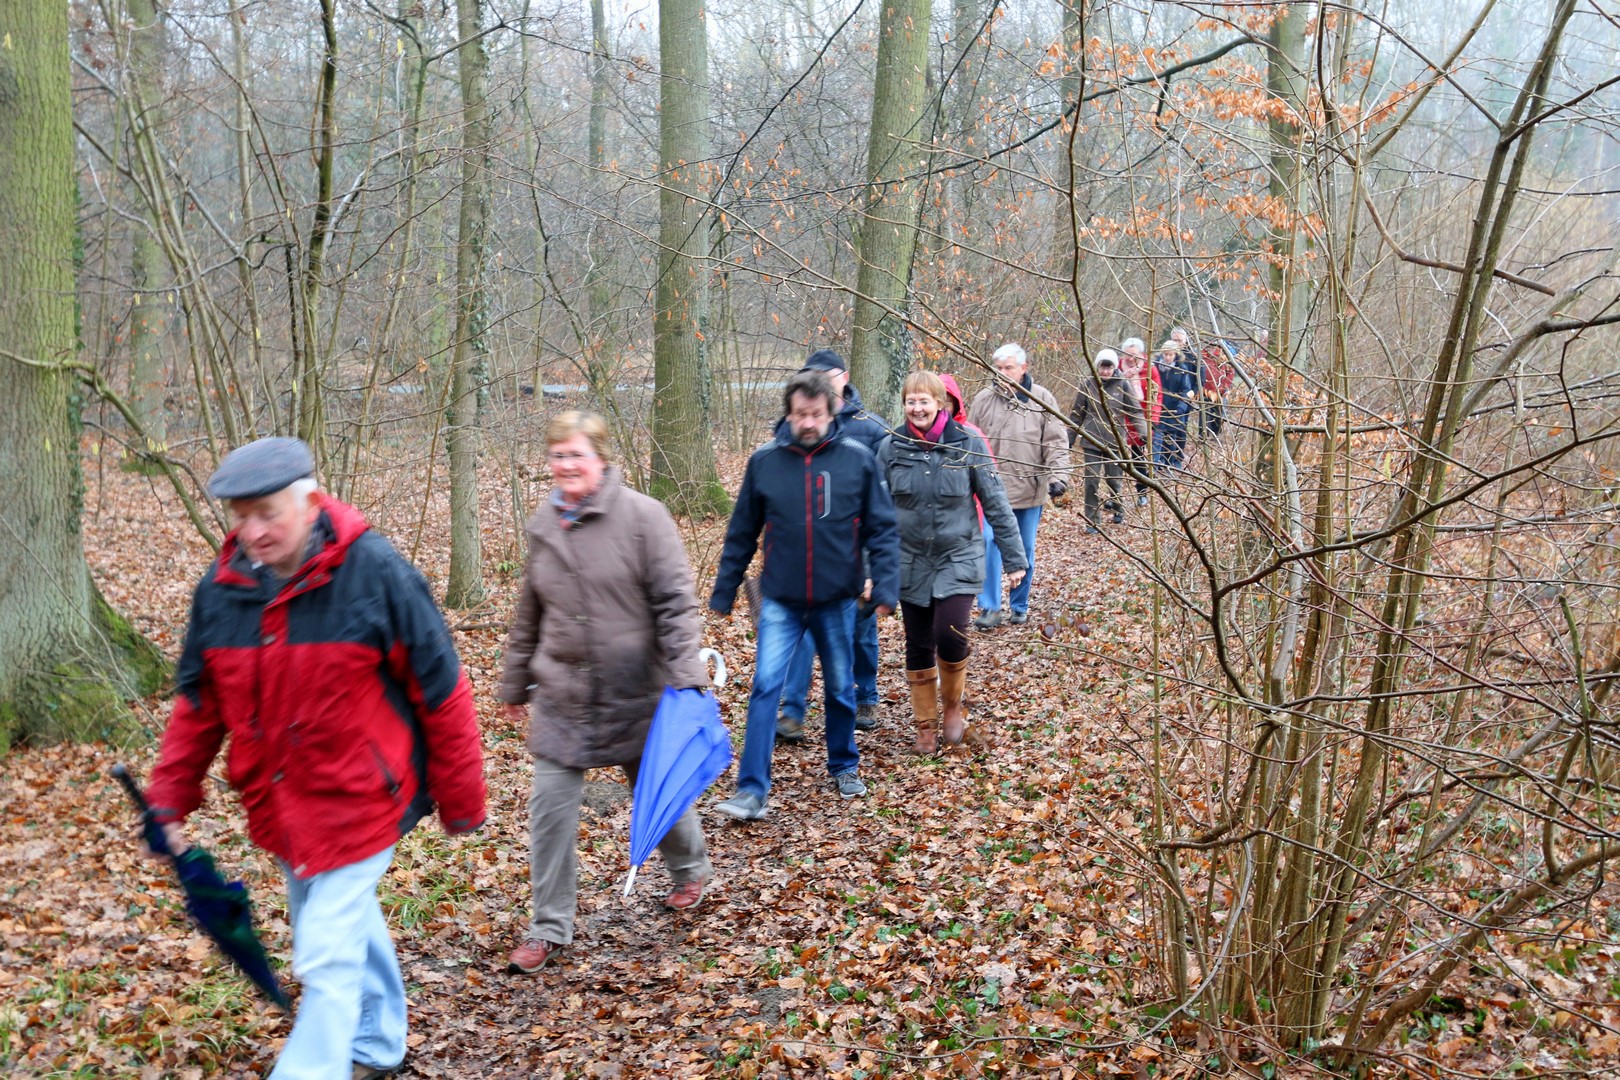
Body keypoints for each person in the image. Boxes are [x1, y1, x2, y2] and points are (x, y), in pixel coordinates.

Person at [145, 437, 487, 1080]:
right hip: (281, 806)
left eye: (267, 512)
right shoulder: (220, 594)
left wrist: (462, 800)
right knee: (344, 920)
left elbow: (442, 690)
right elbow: (198, 707)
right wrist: (168, 798)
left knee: (325, 953)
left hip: (363, 801)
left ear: (310, 499)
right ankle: (381, 1044)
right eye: (239, 515)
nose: (252, 531)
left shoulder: (376, 571)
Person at [496, 412, 716, 976]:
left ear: (600, 457)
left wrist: (687, 676)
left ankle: (690, 871)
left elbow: (675, 603)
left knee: (657, 793)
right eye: (557, 456)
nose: (566, 465)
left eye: (576, 454)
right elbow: (531, 610)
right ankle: (549, 926)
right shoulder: (544, 524)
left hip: (636, 693)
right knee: (548, 812)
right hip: (564, 698)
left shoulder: (644, 517)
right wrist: (514, 679)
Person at [709, 370, 900, 820]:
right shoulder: (765, 462)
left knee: (839, 686)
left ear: (831, 411)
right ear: (788, 414)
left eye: (816, 414)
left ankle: (844, 764)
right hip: (781, 598)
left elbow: (883, 529)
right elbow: (742, 532)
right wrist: (725, 589)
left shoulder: (857, 459)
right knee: (764, 688)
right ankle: (751, 789)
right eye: (800, 414)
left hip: (838, 598)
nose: (808, 422)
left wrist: (887, 585)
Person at [880, 372, 1025, 753]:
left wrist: (1014, 558)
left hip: (959, 554)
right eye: (911, 401)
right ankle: (925, 726)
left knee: (950, 633)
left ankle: (952, 706)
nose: (917, 408)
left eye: (924, 401)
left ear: (941, 403)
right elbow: (872, 512)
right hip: (909, 558)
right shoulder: (891, 447)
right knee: (917, 642)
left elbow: (995, 500)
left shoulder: (968, 443)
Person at [773, 349, 890, 742]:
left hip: (855, 558)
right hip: (804, 561)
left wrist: (875, 571)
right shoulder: (787, 428)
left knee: (860, 631)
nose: (819, 379)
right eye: (811, 374)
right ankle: (793, 711)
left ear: (845, 377)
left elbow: (883, 510)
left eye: (826, 373)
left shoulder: (871, 429)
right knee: (801, 637)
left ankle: (865, 697)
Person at [968, 342, 1070, 628]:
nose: (1002, 373)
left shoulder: (1041, 399)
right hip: (990, 492)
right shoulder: (983, 400)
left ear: (1023, 369)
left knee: (1024, 550)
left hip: (1029, 491)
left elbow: (1056, 443)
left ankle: (1019, 605)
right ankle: (989, 607)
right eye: (998, 368)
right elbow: (969, 441)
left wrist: (1058, 477)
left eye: (1008, 368)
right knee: (988, 544)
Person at [1068, 349, 1145, 532]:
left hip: (1115, 440)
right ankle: (1093, 520)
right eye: (1102, 367)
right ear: (1097, 367)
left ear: (1114, 367)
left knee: (1114, 481)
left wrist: (1143, 433)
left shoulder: (1123, 385)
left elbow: (1134, 411)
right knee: (1091, 481)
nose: (1105, 371)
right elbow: (1076, 414)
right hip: (1091, 439)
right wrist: (1069, 439)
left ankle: (1118, 507)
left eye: (1109, 367)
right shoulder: (1087, 384)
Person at [1117, 339, 1160, 506]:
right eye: (1127, 354)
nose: (1130, 358)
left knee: (1138, 457)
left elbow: (1157, 395)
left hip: (1140, 419)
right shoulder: (1116, 368)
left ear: (1140, 354)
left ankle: (1142, 492)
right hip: (1120, 418)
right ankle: (1115, 496)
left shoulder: (1150, 369)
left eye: (1134, 355)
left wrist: (1153, 420)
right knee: (1116, 458)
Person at [1154, 339, 1201, 472]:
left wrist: (1181, 407)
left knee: (1171, 439)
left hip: (1174, 410)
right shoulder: (1155, 367)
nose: (1168, 357)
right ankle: (1156, 466)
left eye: (1170, 354)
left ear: (1176, 354)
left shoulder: (1181, 369)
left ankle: (1169, 463)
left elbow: (1186, 390)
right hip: (1158, 408)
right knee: (1157, 438)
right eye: (1165, 354)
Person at [1200, 342, 1234, 437]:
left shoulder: (1222, 355)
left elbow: (1230, 372)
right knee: (1204, 414)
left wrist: (1224, 386)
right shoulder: (1201, 356)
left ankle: (1216, 435)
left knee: (1219, 414)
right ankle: (1203, 435)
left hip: (1220, 391)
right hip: (1205, 391)